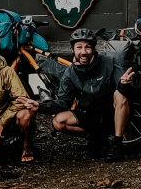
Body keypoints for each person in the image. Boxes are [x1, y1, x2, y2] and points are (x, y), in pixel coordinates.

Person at [18, 28, 134, 162]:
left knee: (120, 94)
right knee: (58, 122)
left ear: (93, 49)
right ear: (73, 49)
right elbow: (63, 103)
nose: (83, 52)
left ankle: (116, 144)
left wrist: (124, 84)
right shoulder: (70, 73)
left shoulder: (109, 63)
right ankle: (93, 137)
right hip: (89, 116)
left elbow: (126, 89)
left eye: (87, 47)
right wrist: (40, 106)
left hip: (111, 115)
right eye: (79, 47)